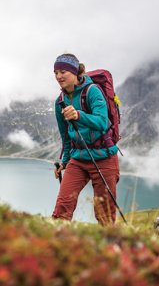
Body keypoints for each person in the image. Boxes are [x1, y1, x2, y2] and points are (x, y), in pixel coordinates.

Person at [52, 53, 120, 225]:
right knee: (62, 207)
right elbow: (66, 136)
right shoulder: (60, 101)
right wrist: (64, 161)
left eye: (63, 72)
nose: (59, 76)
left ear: (74, 72)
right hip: (79, 158)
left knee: (104, 214)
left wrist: (78, 115)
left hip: (104, 157)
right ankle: (55, 245)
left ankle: (110, 248)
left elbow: (102, 122)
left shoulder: (92, 92)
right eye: (56, 73)